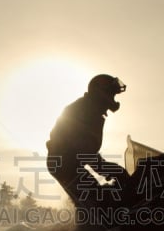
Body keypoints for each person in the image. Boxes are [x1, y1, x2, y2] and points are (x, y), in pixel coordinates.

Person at [46, 74, 130, 213]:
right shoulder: (85, 111)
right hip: (64, 164)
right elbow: (82, 149)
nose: (113, 98)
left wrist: (108, 169)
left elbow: (85, 150)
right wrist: (110, 169)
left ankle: (90, 225)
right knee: (96, 200)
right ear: (101, 93)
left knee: (96, 198)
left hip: (69, 162)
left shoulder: (93, 111)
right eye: (111, 93)